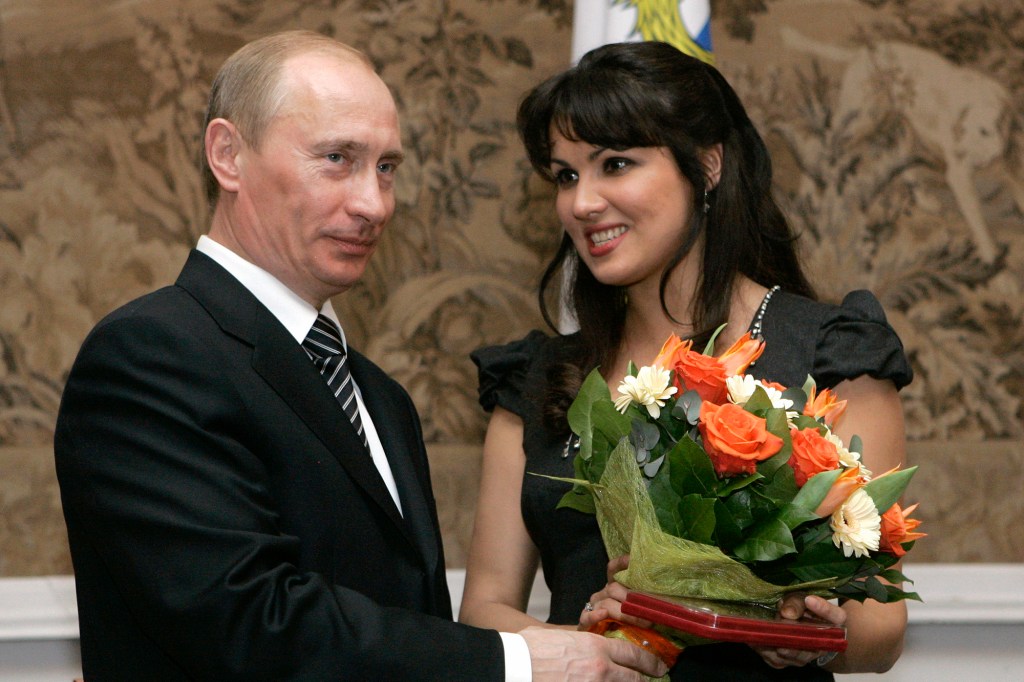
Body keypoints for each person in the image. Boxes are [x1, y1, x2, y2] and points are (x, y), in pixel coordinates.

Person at [54, 30, 668, 681]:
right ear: (228, 155)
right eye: (337, 159)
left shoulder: (378, 396)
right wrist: (516, 659)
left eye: (386, 168)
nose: (373, 204)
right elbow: (247, 622)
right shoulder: (149, 355)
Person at [459, 41, 914, 680]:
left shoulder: (832, 355)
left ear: (707, 167)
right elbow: (484, 609)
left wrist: (798, 632)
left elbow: (882, 629)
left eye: (614, 164)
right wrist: (593, 640)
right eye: (565, 175)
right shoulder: (536, 379)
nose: (582, 202)